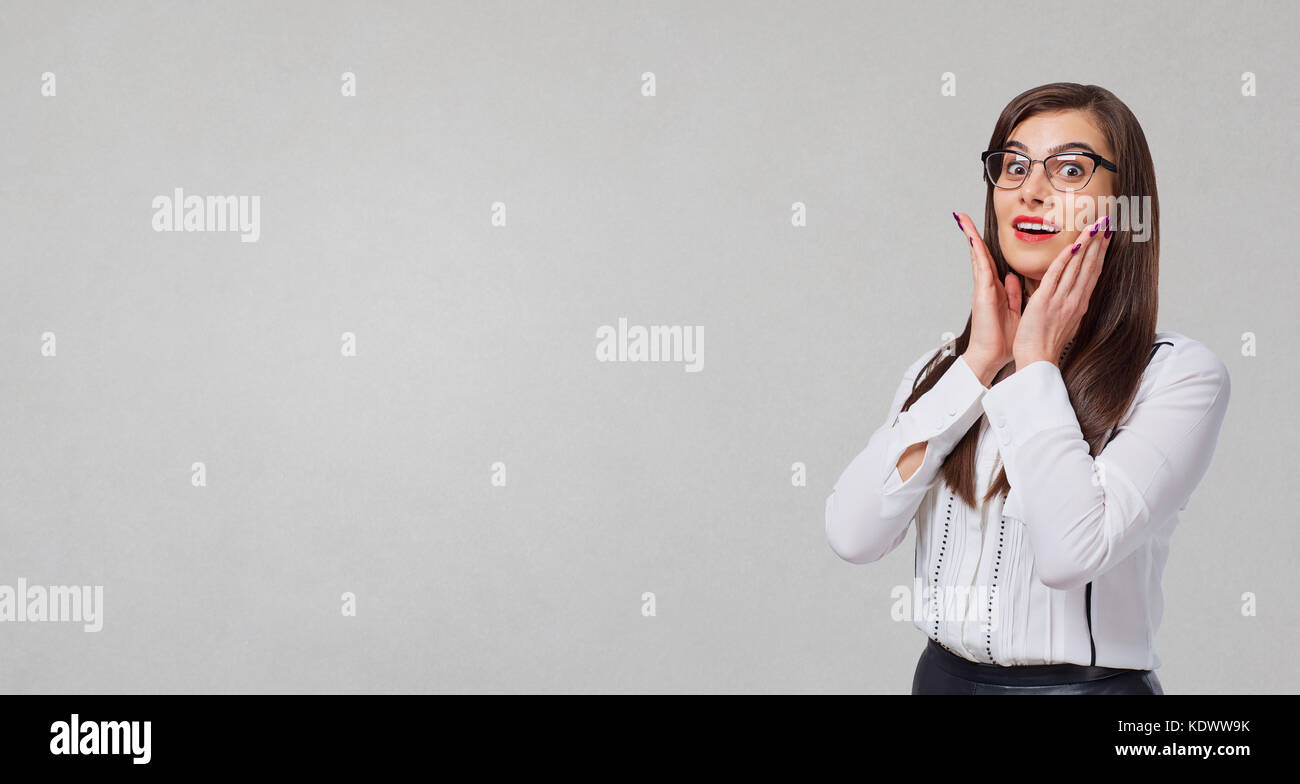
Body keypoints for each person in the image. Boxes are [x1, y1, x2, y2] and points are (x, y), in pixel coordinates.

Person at [824, 82, 1231, 694]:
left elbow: (1071, 554)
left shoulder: (1176, 375)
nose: (1031, 190)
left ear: (1122, 207)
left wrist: (1036, 364)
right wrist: (979, 364)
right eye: (1013, 166)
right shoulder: (943, 370)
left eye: (1069, 169)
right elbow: (852, 536)